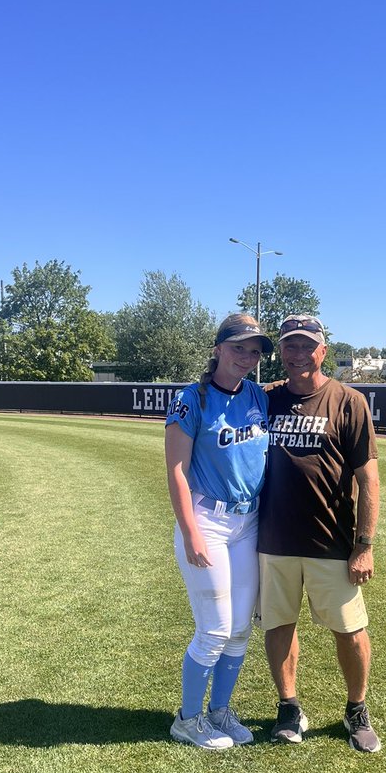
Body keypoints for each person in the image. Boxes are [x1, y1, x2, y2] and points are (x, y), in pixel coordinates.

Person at [258, 315, 381, 752]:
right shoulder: (264, 398)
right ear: (281, 351)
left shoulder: (348, 402)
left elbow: (369, 479)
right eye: (289, 345)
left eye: (306, 346)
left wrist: (364, 546)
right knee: (278, 623)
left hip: (331, 540)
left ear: (322, 351)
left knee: (350, 629)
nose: (297, 354)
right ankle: (288, 706)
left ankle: (356, 709)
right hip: (273, 540)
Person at [165, 313, 273, 750]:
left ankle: (219, 711)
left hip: (248, 523)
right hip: (207, 519)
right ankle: (187, 721)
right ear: (217, 349)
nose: (247, 357)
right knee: (214, 629)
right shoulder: (193, 399)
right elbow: (176, 470)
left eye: (254, 351)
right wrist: (190, 531)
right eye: (238, 347)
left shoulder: (257, 396)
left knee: (241, 629)